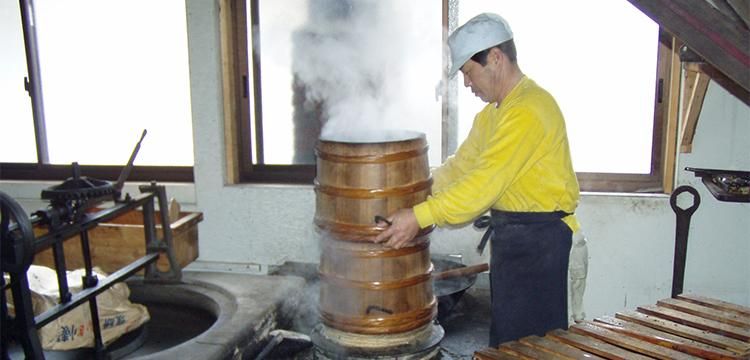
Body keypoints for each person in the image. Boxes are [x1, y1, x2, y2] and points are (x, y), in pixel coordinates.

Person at [374, 12, 582, 346]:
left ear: (495, 58)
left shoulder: (528, 109)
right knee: (508, 343)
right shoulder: (493, 115)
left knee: (533, 348)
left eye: (469, 72)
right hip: (514, 242)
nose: (468, 84)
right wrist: (410, 194)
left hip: (542, 246)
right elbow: (461, 168)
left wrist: (420, 217)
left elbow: (483, 184)